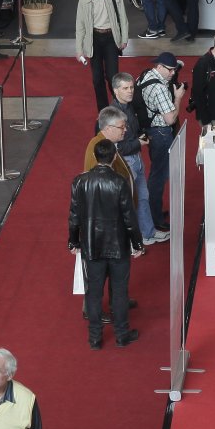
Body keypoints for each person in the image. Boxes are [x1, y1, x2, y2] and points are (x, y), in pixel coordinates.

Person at [69, 141, 144, 348]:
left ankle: (95, 338)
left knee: (93, 292)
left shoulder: (80, 181)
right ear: (114, 157)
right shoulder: (119, 182)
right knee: (119, 291)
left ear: (95, 156)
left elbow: (74, 216)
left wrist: (73, 241)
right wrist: (137, 244)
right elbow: (129, 218)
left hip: (91, 245)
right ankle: (122, 334)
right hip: (118, 245)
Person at [108, 76, 165, 243]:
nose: (130, 91)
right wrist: (138, 143)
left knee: (142, 197)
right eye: (125, 88)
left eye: (131, 87)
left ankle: (147, 233)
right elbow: (117, 147)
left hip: (135, 158)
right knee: (127, 203)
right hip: (125, 162)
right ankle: (130, 240)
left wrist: (139, 139)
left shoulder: (128, 106)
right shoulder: (113, 114)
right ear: (116, 91)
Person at [138, 53, 187, 233]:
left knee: (156, 174)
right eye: (170, 70)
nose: (173, 73)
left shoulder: (145, 75)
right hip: (161, 133)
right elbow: (170, 119)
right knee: (158, 176)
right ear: (159, 66)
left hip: (150, 130)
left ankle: (154, 212)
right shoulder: (159, 88)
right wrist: (178, 97)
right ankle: (155, 218)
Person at [75, 0, 129, 111]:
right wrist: (79, 50)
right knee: (97, 79)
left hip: (111, 37)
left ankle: (121, 106)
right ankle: (104, 111)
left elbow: (123, 18)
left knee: (113, 77)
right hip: (94, 39)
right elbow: (80, 27)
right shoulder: (84, 1)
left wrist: (124, 38)